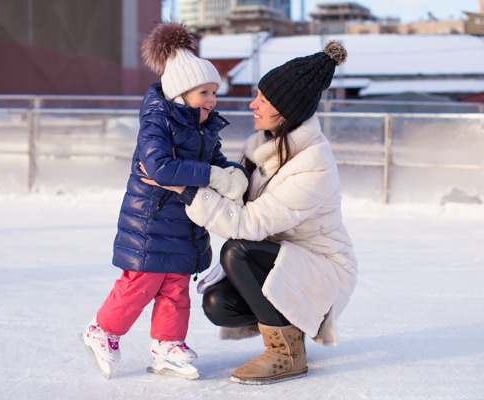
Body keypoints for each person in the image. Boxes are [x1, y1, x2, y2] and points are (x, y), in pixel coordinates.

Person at [141, 40, 358, 385]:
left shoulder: (313, 165)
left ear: (285, 112)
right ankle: (289, 328)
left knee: (236, 251)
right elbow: (240, 203)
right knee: (218, 303)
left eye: (263, 101)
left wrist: (187, 189)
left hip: (322, 266)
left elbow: (249, 222)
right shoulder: (262, 148)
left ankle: (287, 353)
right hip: (283, 257)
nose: (252, 104)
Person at [79, 22, 249, 380]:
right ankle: (102, 331)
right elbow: (159, 167)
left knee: (176, 286)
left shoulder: (203, 127)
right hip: (151, 222)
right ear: (181, 92)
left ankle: (167, 345)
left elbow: (214, 159)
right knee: (141, 282)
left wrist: (231, 171)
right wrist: (212, 176)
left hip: (185, 223)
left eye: (214, 92)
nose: (212, 101)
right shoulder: (158, 122)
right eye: (205, 92)